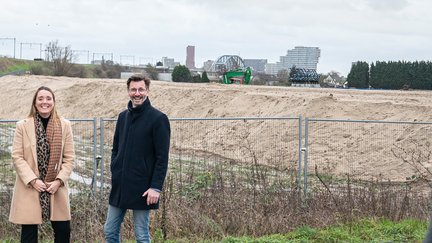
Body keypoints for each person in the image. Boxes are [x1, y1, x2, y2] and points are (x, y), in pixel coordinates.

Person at [104, 74, 171, 243]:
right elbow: (116, 149)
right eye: (133, 89)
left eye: (141, 89)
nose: (137, 93)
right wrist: (116, 168)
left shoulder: (158, 119)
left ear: (147, 91)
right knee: (109, 230)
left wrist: (156, 187)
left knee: (141, 235)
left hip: (144, 188)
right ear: (128, 92)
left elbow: (162, 158)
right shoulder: (122, 117)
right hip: (120, 186)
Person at [9, 86, 75, 243]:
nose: (44, 102)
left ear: (53, 102)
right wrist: (33, 180)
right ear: (35, 102)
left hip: (56, 187)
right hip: (31, 187)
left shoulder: (65, 125)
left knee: (63, 231)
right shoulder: (22, 125)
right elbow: (17, 156)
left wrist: (59, 181)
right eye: (40, 98)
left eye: (48, 98)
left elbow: (70, 158)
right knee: (29, 235)